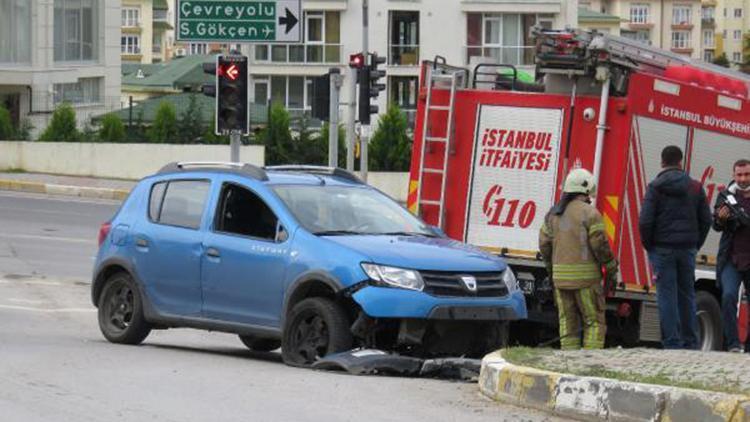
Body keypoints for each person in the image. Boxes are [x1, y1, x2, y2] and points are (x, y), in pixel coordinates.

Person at [639, 145, 712, 349]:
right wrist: (695, 244)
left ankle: (672, 342)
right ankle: (690, 342)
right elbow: (706, 220)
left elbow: (645, 221)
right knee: (687, 295)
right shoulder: (696, 187)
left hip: (662, 249)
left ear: (663, 162)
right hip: (687, 249)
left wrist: (650, 246)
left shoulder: (655, 187)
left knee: (667, 295)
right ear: (681, 162)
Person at [539, 168, 618, 350]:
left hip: (561, 282)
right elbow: (600, 245)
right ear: (586, 190)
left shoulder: (553, 215)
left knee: (568, 323)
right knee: (594, 322)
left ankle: (569, 363)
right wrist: (611, 266)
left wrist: (552, 271)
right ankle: (588, 364)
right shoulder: (591, 214)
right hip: (586, 282)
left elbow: (544, 245)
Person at [715, 159, 750, 352]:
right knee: (728, 296)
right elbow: (716, 225)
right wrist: (721, 219)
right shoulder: (725, 196)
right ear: (734, 175)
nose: (743, 178)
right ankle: (733, 344)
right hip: (732, 258)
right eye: (739, 175)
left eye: (747, 174)